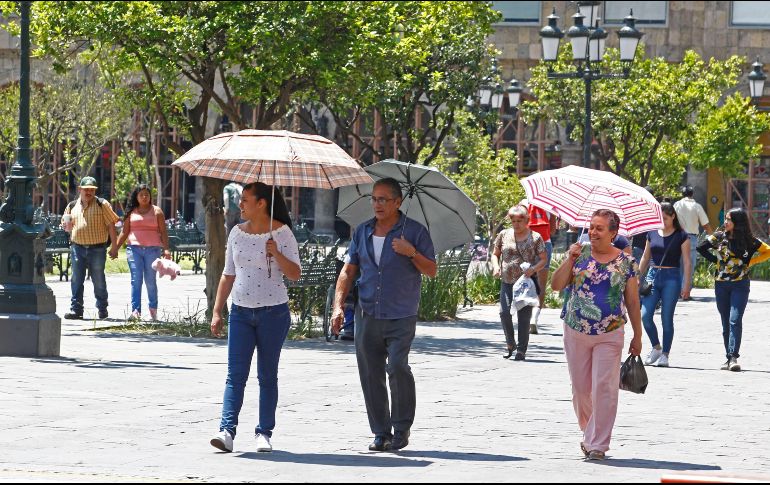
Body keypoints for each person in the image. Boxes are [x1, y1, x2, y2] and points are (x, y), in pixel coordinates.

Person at [331, 177, 436, 452]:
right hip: (367, 313)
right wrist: (338, 306)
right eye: (374, 199)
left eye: (383, 199)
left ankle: (401, 428)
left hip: (401, 314)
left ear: (397, 202)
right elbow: (349, 270)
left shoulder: (414, 231)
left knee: (397, 367)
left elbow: (431, 269)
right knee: (370, 373)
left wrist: (410, 251)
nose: (377, 204)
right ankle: (381, 432)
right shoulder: (362, 231)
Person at [209, 182, 301, 453]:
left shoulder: (282, 234)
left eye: (246, 200)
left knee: (267, 375)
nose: (241, 205)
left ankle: (264, 432)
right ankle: (226, 430)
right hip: (240, 312)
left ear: (262, 203)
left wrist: (277, 253)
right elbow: (228, 273)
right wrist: (217, 310)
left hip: (274, 313)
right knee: (235, 375)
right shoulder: (236, 233)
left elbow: (295, 273)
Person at [551, 209, 642, 461]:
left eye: (600, 228)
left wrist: (638, 335)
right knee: (581, 390)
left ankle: (597, 445)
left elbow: (633, 302)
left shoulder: (626, 263)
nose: (593, 232)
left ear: (613, 233)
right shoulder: (579, 256)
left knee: (604, 388)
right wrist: (569, 259)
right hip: (576, 331)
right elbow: (556, 285)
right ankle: (589, 432)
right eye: (591, 227)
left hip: (610, 333)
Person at [697, 208, 770, 372]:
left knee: (734, 319)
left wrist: (751, 262)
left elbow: (768, 251)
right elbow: (701, 247)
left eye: (729, 219)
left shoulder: (748, 240)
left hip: (740, 285)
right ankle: (728, 357)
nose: (725, 222)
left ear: (738, 222)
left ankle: (733, 357)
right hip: (721, 284)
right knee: (725, 321)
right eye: (726, 219)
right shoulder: (719, 237)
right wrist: (717, 262)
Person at [637, 203, 691, 368]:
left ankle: (665, 354)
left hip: (671, 277)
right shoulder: (651, 233)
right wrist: (638, 276)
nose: (663, 221)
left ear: (673, 216)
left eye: (665, 218)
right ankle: (656, 347)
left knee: (666, 318)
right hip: (652, 276)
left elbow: (687, 262)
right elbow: (646, 257)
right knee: (645, 316)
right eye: (660, 218)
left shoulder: (681, 235)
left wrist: (686, 284)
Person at [491, 205, 547, 361]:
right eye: (513, 221)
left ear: (527, 220)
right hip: (507, 281)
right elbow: (495, 254)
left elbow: (543, 259)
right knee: (504, 312)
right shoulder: (503, 235)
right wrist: (496, 266)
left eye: (519, 221)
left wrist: (534, 269)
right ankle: (510, 343)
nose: (516, 224)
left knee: (523, 317)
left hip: (525, 283)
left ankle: (521, 350)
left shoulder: (535, 237)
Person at [110, 184, 172, 321]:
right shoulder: (131, 212)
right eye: (141, 195)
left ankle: (153, 311)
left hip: (153, 250)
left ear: (150, 197)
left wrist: (166, 249)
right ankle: (135, 311)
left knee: (150, 281)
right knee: (136, 280)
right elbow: (124, 232)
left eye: (147, 195)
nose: (144, 197)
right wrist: (115, 248)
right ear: (136, 197)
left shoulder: (157, 212)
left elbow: (163, 232)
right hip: (134, 250)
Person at [62, 176, 120, 320]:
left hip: (98, 249)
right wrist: (65, 226)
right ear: (80, 189)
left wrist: (115, 247)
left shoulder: (102, 204)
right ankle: (76, 310)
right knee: (76, 279)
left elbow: (111, 226)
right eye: (86, 189)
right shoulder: (71, 206)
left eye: (92, 190)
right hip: (77, 248)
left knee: (98, 279)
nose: (89, 192)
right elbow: (66, 225)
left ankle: (102, 309)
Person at [519, 199, 557, 334]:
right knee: (541, 283)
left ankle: (524, 317)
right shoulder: (550, 205)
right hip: (544, 244)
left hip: (526, 243)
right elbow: (552, 231)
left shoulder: (523, 203)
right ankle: (534, 318)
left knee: (524, 280)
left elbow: (518, 226)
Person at [674, 186, 713, 298]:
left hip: (677, 237)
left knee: (679, 265)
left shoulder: (676, 205)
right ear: (692, 194)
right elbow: (705, 224)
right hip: (691, 238)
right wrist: (713, 237)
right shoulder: (697, 206)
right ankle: (685, 292)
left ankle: (677, 292)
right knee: (689, 265)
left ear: (682, 194)